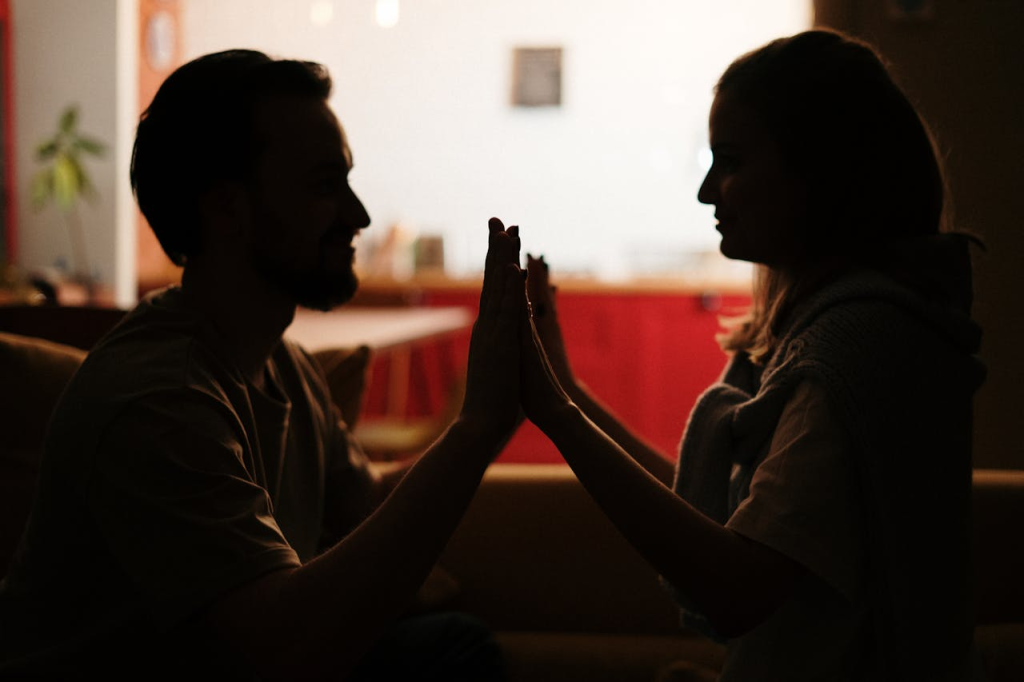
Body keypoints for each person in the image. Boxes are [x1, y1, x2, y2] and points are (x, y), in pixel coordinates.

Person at [0, 50, 525, 681]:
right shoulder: (159, 397)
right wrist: (475, 431)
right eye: (325, 186)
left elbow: (367, 509)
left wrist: (486, 413)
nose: (358, 216)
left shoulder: (283, 364)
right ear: (228, 208)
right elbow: (279, 649)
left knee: (453, 646)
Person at [517, 29, 986, 681]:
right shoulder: (820, 327)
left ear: (821, 171)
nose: (708, 191)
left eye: (731, 161)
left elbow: (735, 585)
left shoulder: (854, 349)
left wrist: (557, 412)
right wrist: (562, 390)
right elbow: (719, 521)